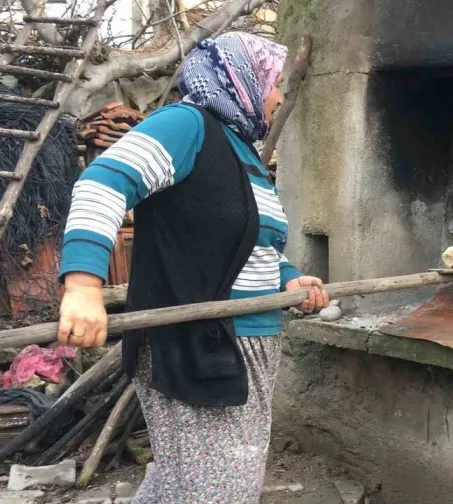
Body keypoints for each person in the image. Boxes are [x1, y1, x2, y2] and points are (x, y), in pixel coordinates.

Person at [55, 32, 328, 503]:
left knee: (187, 483)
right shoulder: (188, 126)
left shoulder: (242, 150)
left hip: (246, 342)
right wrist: (83, 286)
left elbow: (248, 241)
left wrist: (288, 280)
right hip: (198, 342)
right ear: (242, 79)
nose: (280, 97)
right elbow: (102, 183)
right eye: (273, 83)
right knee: (217, 491)